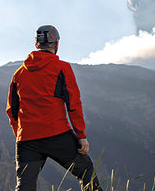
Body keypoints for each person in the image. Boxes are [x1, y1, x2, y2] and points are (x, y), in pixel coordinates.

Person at [6, 24, 103, 191]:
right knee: (86, 172)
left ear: (37, 44)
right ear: (56, 44)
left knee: (25, 187)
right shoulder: (62, 68)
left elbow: (12, 111)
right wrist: (80, 134)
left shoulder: (19, 74)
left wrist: (22, 134)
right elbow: (73, 104)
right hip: (57, 134)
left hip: (27, 139)